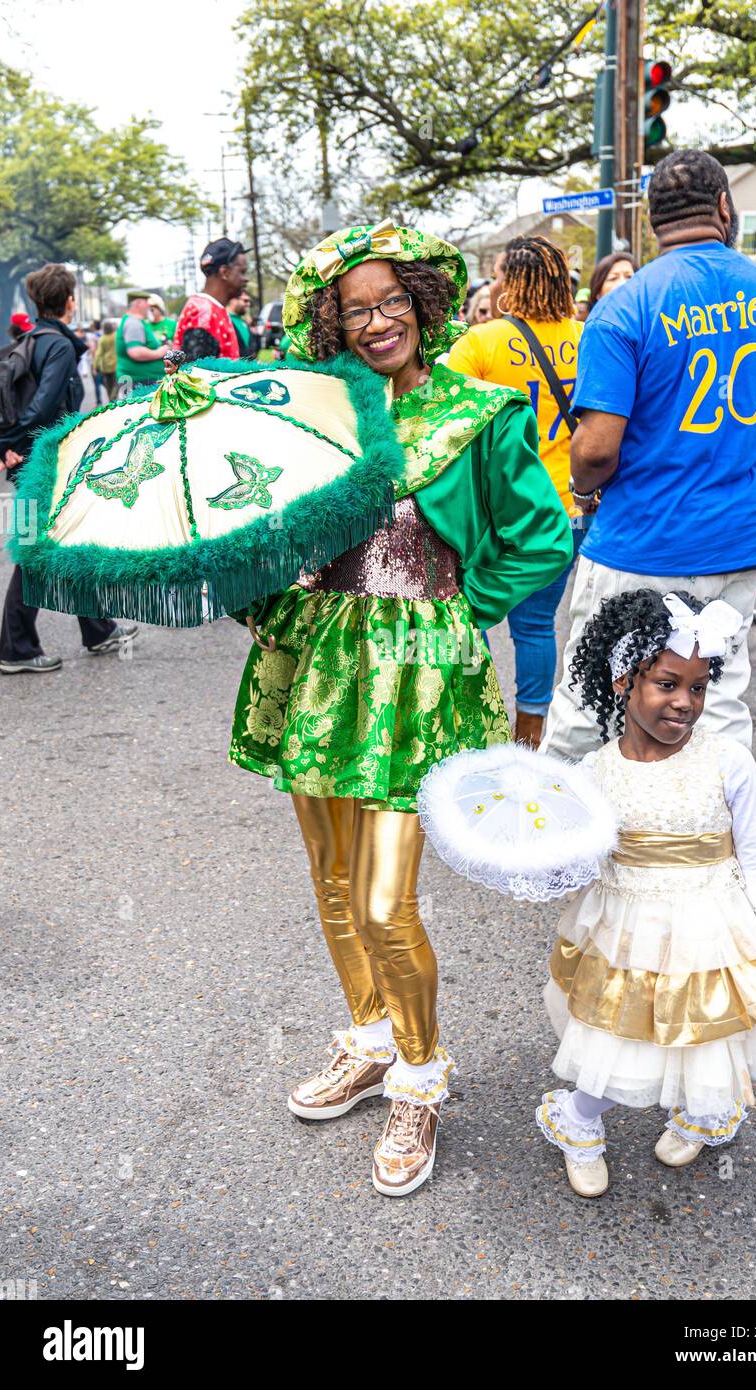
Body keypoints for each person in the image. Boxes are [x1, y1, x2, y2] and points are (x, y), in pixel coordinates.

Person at [228, 218, 575, 1196]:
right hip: (318, 661)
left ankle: (421, 1077)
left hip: (418, 671)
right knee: (333, 884)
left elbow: (542, 537)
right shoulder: (324, 419)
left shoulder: (479, 412)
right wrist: (261, 593)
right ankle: (371, 1041)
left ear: (421, 301)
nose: (378, 320)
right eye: (356, 308)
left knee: (386, 899)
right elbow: (265, 525)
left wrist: (465, 609)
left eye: (390, 301)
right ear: (334, 322)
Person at [537, 588, 756, 1197]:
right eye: (668, 684)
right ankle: (579, 1122)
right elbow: (575, 865)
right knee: (614, 1034)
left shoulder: (728, 762)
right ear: (624, 680)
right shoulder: (592, 774)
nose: (685, 704)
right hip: (625, 929)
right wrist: (536, 862)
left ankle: (703, 1113)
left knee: (712, 1037)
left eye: (698, 688)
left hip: (713, 928)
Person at [542, 149, 756, 761]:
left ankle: (555, 849)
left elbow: (594, 450)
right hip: (738, 539)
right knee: (715, 708)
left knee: (592, 703)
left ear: (651, 222)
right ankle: (712, 848)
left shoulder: (625, 305)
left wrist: (586, 492)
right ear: (724, 208)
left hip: (644, 540)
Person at [447, 235, 582, 746]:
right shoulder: (588, 337)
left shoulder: (481, 342)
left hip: (495, 513)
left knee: (469, 613)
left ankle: (474, 718)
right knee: (535, 625)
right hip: (566, 508)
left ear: (513, 281)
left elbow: (441, 425)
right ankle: (531, 732)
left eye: (502, 274)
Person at [0, 264, 136, 674]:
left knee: (67, 541)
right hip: (43, 464)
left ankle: (97, 630)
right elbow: (43, 406)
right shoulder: (57, 345)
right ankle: (16, 649)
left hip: (31, 461)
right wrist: (10, 445)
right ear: (69, 301)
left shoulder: (33, 339)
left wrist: (7, 445)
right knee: (34, 554)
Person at [173, 238, 247, 361]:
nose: (246, 279)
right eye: (242, 272)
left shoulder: (210, 308)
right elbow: (197, 376)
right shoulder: (203, 314)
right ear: (225, 272)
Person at [115, 290, 168, 394]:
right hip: (138, 382)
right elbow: (135, 352)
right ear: (138, 303)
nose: (149, 305)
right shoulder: (133, 323)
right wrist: (159, 352)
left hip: (140, 382)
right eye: (146, 302)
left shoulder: (135, 321)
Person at [93, 319, 117, 403]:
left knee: (108, 385)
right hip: (115, 364)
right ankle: (113, 398)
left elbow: (98, 354)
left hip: (105, 365)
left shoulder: (102, 339)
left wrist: (95, 367)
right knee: (115, 383)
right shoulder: (116, 336)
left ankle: (111, 399)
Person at [228, 288, 256, 356]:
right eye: (245, 301)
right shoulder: (224, 320)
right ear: (233, 300)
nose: (248, 304)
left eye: (249, 301)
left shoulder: (243, 322)